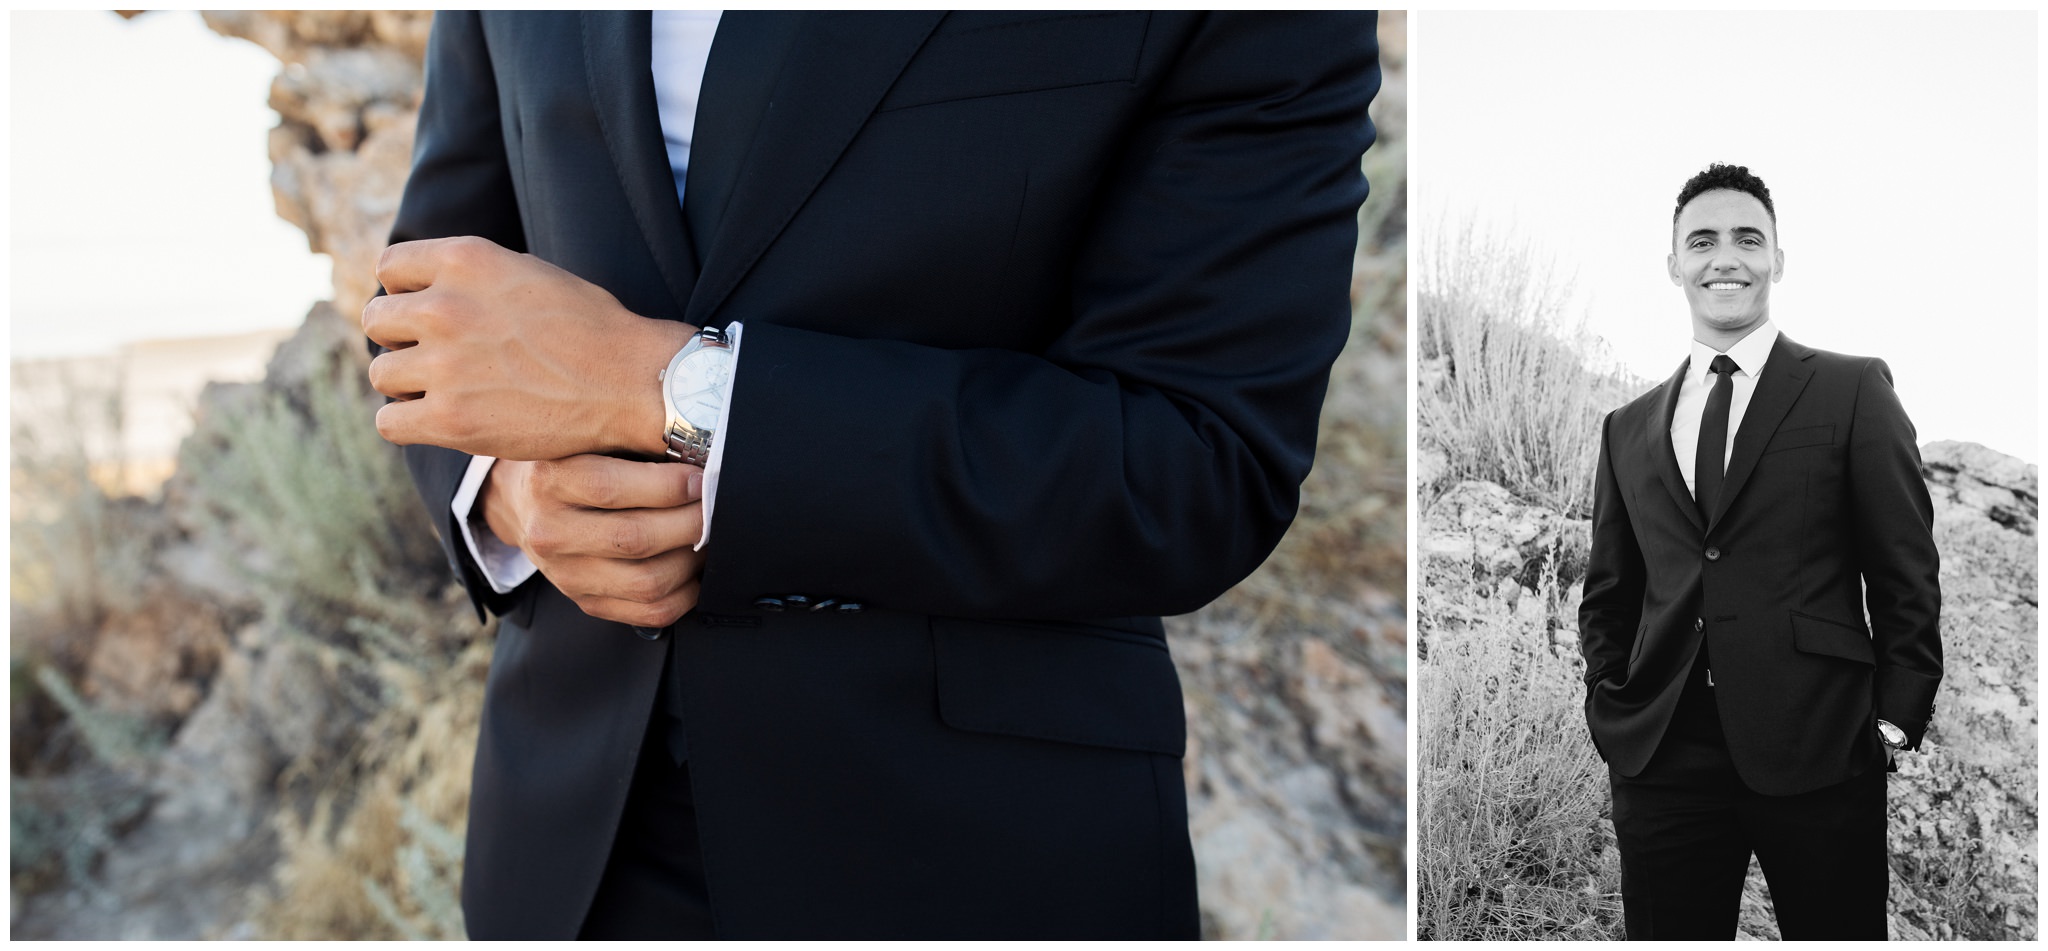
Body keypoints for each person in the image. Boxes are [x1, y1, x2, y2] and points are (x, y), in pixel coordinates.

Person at [362, 11, 1380, 939]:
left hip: (969, 857)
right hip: (566, 857)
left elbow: (1193, 461)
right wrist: (510, 491)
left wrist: (673, 394)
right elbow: (435, 295)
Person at [1577, 163, 1942, 939]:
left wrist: (1893, 723)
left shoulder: (1851, 389)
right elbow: (1610, 591)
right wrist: (1611, 701)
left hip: (1821, 746)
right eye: (1701, 241)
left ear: (1779, 258)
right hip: (1662, 757)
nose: (1725, 258)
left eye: (1748, 239)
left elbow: (1905, 567)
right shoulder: (1627, 427)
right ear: (1673, 264)